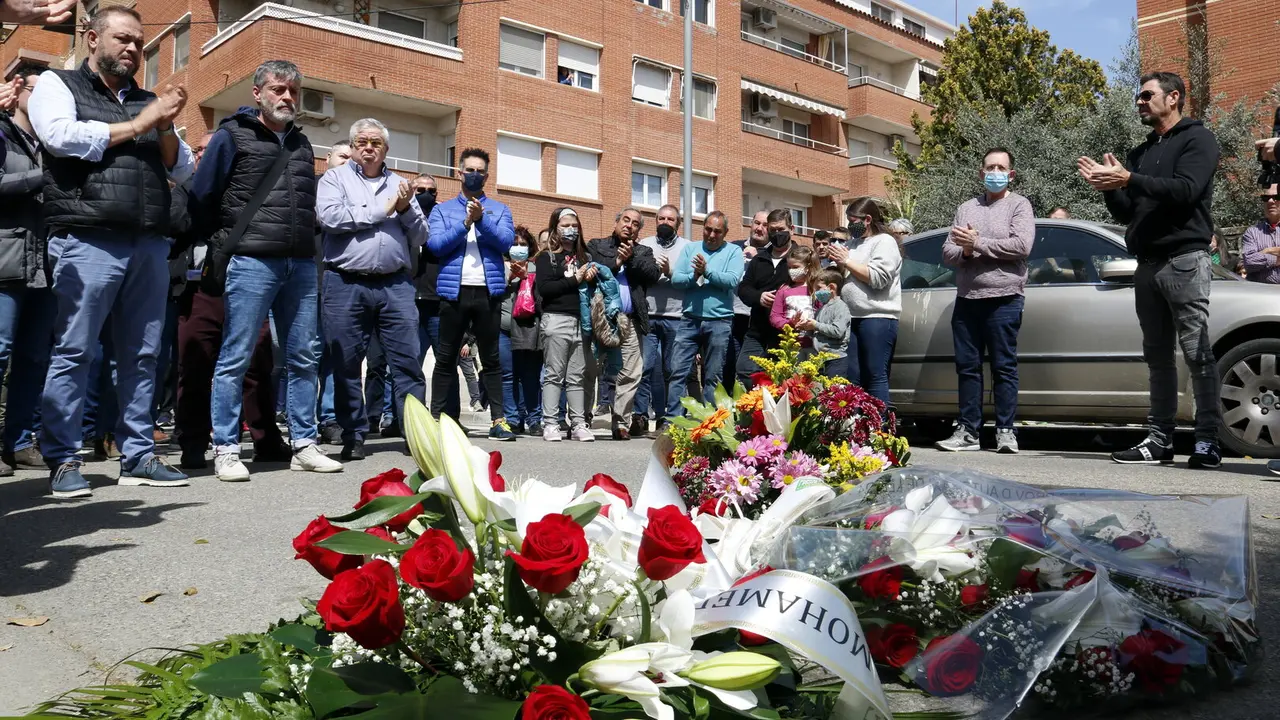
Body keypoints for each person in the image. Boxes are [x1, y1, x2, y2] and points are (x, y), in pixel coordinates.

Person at [30, 6, 194, 497]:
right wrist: (142, 123)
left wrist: (165, 124)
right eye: (123, 39)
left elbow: (182, 169)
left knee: (143, 355)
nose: (132, 49)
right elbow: (59, 138)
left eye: (139, 43)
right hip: (87, 237)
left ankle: (138, 454)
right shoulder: (57, 86)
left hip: (147, 242)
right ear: (91, 37)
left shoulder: (147, 100)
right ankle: (62, 458)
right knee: (76, 351)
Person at [191, 60, 342, 481]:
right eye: (278, 89)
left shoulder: (303, 145)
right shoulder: (230, 136)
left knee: (303, 356)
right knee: (235, 355)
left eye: (293, 90)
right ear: (257, 93)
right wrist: (224, 240)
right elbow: (203, 195)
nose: (287, 97)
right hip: (252, 259)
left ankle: (304, 444)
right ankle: (225, 447)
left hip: (299, 263)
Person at [1079, 71, 1223, 469]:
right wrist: (1112, 190)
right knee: (1156, 357)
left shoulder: (1198, 138)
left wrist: (1130, 178)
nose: (1140, 102)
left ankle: (1207, 441)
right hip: (1147, 266)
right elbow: (1129, 210)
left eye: (1147, 95)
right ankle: (1159, 440)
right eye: (1138, 97)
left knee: (1197, 353)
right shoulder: (1141, 152)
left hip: (1184, 261)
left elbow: (1187, 190)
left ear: (1174, 97)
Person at [174, 127, 290, 472]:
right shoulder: (184, 190)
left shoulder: (249, 189)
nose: (206, 156)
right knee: (195, 364)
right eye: (200, 150)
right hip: (200, 289)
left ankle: (266, 439)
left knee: (257, 362)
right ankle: (193, 442)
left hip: (249, 285)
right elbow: (175, 223)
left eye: (214, 151)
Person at [317, 118, 428, 461]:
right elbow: (330, 218)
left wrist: (406, 208)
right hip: (345, 281)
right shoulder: (333, 179)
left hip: (395, 283)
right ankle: (353, 433)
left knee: (408, 362)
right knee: (346, 363)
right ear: (351, 148)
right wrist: (384, 210)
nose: (368, 147)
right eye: (362, 141)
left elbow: (421, 235)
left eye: (375, 143)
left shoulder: (401, 185)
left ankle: (416, 435)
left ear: (386, 150)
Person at [936, 147, 1034, 454]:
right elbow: (948, 252)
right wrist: (966, 250)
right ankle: (968, 431)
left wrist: (976, 242)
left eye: (1000, 168)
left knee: (1004, 367)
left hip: (1005, 298)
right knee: (968, 367)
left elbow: (1021, 245)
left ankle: (1006, 431)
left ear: (1011, 174)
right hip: (968, 298)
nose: (995, 173)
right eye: (989, 167)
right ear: (981, 173)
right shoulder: (966, 208)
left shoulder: (1019, 205)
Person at [426, 147, 516, 439]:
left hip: (488, 293)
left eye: (480, 171)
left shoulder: (500, 210)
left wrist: (481, 219)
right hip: (454, 292)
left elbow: (504, 243)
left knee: (491, 360)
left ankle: (498, 420)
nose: (475, 175)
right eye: (470, 170)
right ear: (459, 173)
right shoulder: (442, 210)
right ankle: (437, 420)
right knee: (445, 358)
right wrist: (465, 222)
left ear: (487, 176)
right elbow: (436, 246)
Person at [0, 63, 57, 477]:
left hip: (45, 266)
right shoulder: (2, 133)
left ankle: (18, 442)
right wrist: (43, 178)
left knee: (34, 358)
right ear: (17, 91)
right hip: (5, 262)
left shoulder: (55, 144)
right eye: (38, 90)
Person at [590, 207, 659, 439]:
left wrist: (630, 261)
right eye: (626, 220)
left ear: (639, 229)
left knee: (631, 371)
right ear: (617, 222)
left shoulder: (643, 251)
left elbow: (653, 274)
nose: (629, 225)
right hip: (600, 319)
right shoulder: (597, 245)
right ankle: (581, 420)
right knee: (589, 368)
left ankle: (620, 422)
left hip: (629, 321)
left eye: (635, 223)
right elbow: (595, 266)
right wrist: (618, 260)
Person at [826, 197, 902, 406]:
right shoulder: (852, 244)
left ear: (867, 219)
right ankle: (857, 430)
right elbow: (845, 276)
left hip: (877, 317)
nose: (851, 226)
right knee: (853, 377)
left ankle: (879, 431)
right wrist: (836, 264)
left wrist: (847, 261)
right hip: (851, 317)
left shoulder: (884, 242)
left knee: (875, 374)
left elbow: (878, 279)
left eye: (853, 221)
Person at [667, 211, 744, 417]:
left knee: (713, 376)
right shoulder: (690, 249)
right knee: (678, 372)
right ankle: (673, 420)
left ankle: (710, 422)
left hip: (719, 321)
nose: (711, 235)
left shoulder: (734, 252)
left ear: (725, 232)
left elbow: (732, 281)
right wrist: (695, 276)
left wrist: (707, 271)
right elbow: (676, 280)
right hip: (690, 320)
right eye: (708, 229)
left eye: (717, 231)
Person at [535, 207, 596, 442]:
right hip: (556, 319)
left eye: (574, 225)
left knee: (577, 376)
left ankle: (579, 422)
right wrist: (575, 279)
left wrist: (589, 280)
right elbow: (546, 289)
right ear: (555, 228)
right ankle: (550, 423)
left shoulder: (585, 257)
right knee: (553, 375)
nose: (570, 230)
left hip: (581, 320)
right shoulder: (547, 257)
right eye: (565, 225)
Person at [634, 205, 685, 435]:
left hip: (676, 317)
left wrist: (670, 271)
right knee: (644, 368)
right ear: (655, 220)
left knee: (672, 370)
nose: (666, 222)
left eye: (671, 219)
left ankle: (669, 419)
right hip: (648, 316)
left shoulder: (687, 248)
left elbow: (692, 280)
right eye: (661, 218)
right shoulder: (644, 244)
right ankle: (640, 416)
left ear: (678, 223)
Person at [316, 141, 352, 446]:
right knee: (299, 359)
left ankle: (329, 418)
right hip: (305, 284)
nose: (347, 162)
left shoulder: (358, 194)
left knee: (332, 357)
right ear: (327, 158)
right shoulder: (311, 189)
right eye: (342, 156)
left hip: (339, 286)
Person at [736, 209, 795, 387]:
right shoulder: (759, 259)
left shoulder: (801, 257)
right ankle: (759, 407)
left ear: (791, 229)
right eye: (773, 230)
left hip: (788, 333)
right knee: (745, 369)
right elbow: (744, 289)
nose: (777, 234)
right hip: (758, 330)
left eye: (781, 229)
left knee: (786, 379)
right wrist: (759, 296)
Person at [501, 226, 543, 435]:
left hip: (529, 329)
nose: (518, 248)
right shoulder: (499, 267)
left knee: (530, 376)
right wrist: (509, 278)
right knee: (508, 376)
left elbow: (543, 298)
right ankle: (512, 418)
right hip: (503, 330)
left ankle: (534, 419)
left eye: (523, 245)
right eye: (514, 244)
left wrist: (527, 277)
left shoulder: (537, 269)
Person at [727, 210, 769, 387]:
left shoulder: (773, 253)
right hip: (732, 314)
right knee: (728, 365)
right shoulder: (734, 247)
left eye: (765, 225)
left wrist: (756, 258)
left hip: (758, 320)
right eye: (757, 223)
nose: (759, 228)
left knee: (752, 369)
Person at [801, 269, 850, 376]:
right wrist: (806, 326)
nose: (816, 292)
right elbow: (816, 331)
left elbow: (838, 331)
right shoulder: (821, 308)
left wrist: (815, 325)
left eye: (819, 288)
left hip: (835, 359)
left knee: (834, 390)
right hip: (820, 358)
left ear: (832, 287)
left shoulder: (841, 307)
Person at [769, 244, 819, 344]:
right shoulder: (784, 289)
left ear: (808, 267)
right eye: (789, 267)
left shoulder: (816, 288)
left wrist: (815, 324)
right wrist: (789, 324)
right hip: (790, 343)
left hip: (816, 343)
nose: (791, 271)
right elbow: (775, 316)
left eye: (795, 267)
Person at [1241, 186, 1280, 285]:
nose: (1270, 201)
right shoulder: (1252, 233)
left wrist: (1267, 251)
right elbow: (1249, 262)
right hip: (1261, 295)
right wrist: (1276, 259)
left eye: (1277, 197)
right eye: (1266, 198)